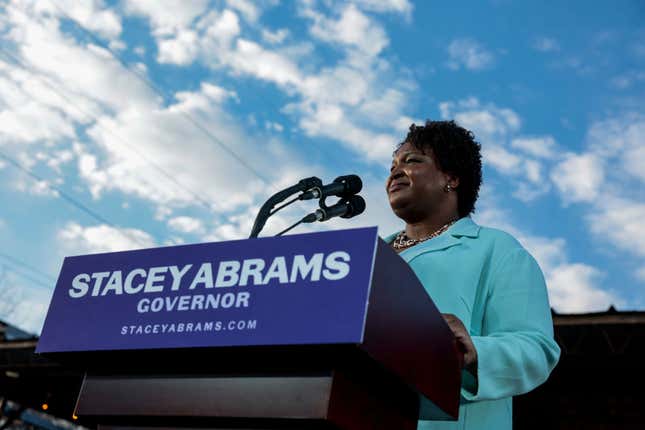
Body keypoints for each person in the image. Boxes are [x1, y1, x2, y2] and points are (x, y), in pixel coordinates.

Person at [384, 120, 560, 430]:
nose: (395, 171)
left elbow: (537, 349)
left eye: (412, 160)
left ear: (450, 178)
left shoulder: (497, 249)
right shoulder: (369, 255)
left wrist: (476, 351)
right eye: (393, 165)